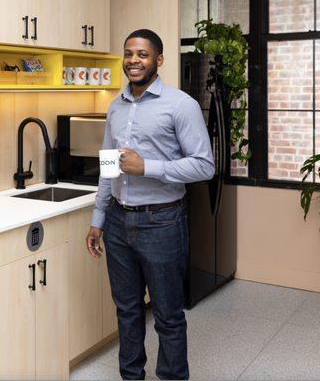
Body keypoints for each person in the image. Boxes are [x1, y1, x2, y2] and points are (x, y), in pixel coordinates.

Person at [86, 29, 215, 380]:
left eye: (142, 54)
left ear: (158, 60)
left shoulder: (180, 105)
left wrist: (148, 167)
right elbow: (108, 167)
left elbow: (205, 165)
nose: (133, 60)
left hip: (162, 222)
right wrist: (98, 219)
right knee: (127, 312)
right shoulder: (115, 107)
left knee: (168, 315)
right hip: (116, 222)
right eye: (128, 53)